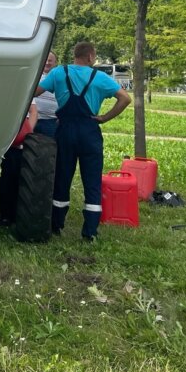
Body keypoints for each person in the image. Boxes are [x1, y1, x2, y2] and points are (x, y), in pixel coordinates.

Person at [34, 42, 131, 241]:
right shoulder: (101, 78)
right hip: (89, 131)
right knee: (92, 181)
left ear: (75, 55)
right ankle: (90, 232)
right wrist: (104, 117)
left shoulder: (59, 73)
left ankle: (56, 225)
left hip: (65, 131)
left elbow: (34, 92)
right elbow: (125, 99)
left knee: (62, 178)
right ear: (90, 57)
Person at [0, 102, 39, 227]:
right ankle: (5, 214)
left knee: (18, 177)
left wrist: (26, 134)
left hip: (20, 143)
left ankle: (15, 214)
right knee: (7, 178)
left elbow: (33, 111)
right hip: (8, 141)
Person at [33, 51, 59, 138]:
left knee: (49, 148)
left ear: (55, 63)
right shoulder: (33, 74)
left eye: (50, 61)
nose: (47, 63)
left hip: (51, 121)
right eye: (46, 60)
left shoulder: (59, 77)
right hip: (31, 119)